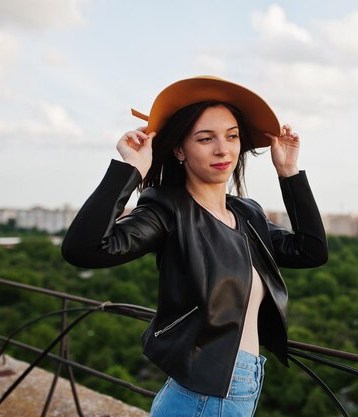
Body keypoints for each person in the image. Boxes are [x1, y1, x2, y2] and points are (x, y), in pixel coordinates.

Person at [61, 75, 328, 417]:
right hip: (205, 397)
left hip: (238, 386)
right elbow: (83, 248)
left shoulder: (247, 214)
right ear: (179, 150)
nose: (223, 149)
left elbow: (312, 251)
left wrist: (288, 171)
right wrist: (130, 170)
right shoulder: (167, 210)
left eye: (232, 136)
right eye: (206, 139)